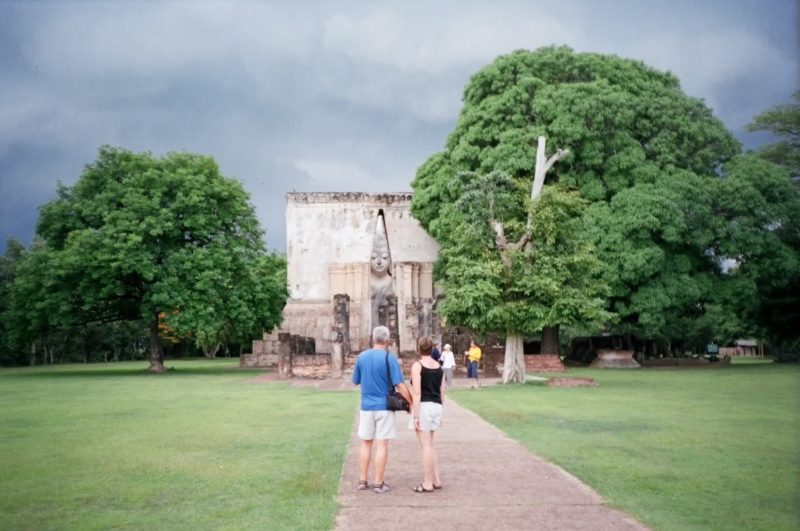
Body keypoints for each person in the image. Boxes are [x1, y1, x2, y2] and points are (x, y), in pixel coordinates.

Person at [352, 325, 413, 494]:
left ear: (372, 339)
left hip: (366, 406)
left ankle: (362, 481)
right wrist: (411, 402)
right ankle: (378, 483)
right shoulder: (389, 358)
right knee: (382, 444)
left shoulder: (362, 357)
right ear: (387, 341)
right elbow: (399, 384)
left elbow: (355, 380)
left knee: (365, 443)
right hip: (384, 407)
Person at [408, 336, 445, 493]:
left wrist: (416, 415)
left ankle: (427, 482)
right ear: (432, 349)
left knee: (426, 446)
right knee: (430, 445)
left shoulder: (418, 366)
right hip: (436, 405)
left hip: (424, 405)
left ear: (419, 349)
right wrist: (441, 411)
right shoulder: (439, 366)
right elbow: (443, 390)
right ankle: (436, 479)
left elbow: (417, 392)